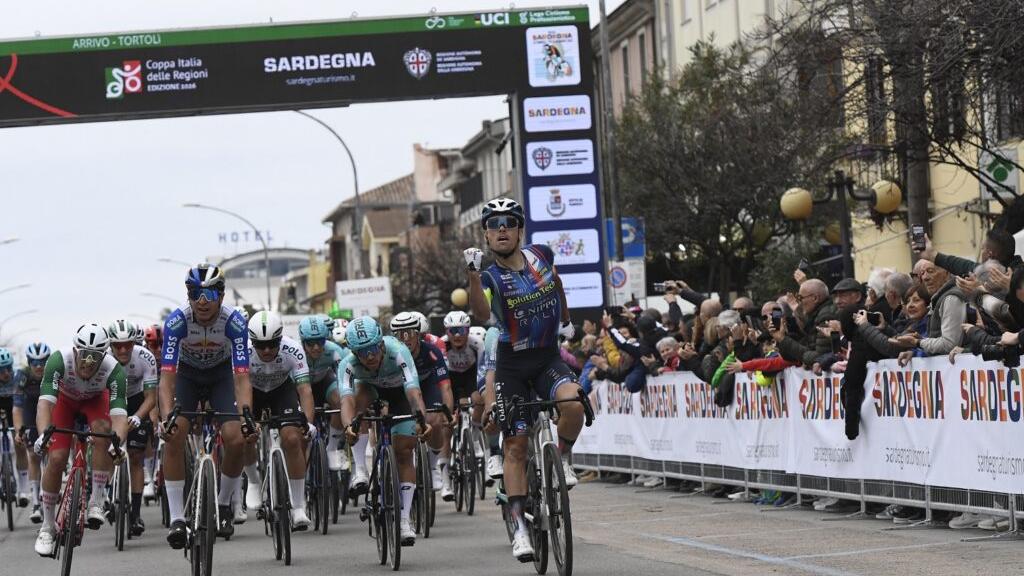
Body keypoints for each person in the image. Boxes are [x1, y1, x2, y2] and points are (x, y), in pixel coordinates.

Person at [465, 197, 586, 561]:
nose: (501, 228)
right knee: (515, 445)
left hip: (547, 356)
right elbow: (482, 311)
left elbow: (557, 284)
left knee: (574, 403)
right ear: (486, 235)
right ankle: (520, 528)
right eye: (494, 224)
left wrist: (566, 319)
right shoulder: (489, 276)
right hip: (512, 365)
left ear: (520, 229)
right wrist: (471, 274)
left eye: (509, 222)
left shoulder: (541, 254)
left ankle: (561, 458)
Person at [158, 263, 253, 548]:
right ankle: (177, 518)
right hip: (186, 376)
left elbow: (243, 378)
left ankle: (224, 505)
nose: (201, 302)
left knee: (236, 439)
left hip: (221, 376)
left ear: (221, 297)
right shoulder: (177, 322)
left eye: (209, 295)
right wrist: (166, 418)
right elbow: (166, 379)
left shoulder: (234, 321)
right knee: (174, 434)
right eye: (194, 294)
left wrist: (246, 414)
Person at [32, 324, 129, 557]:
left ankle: (96, 500)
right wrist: (43, 436)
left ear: (104, 355)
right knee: (56, 458)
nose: (88, 361)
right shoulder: (58, 361)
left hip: (95, 401)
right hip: (64, 402)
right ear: (75, 351)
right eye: (83, 354)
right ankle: (47, 527)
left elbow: (119, 416)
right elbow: (45, 403)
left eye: (95, 356)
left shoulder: (114, 370)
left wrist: (119, 445)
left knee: (104, 430)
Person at [341, 316, 431, 546]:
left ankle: (403, 519)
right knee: (357, 411)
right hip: (370, 390)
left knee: (404, 450)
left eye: (372, 349)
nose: (369, 356)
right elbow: (347, 402)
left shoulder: (398, 351)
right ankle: (359, 469)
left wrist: (421, 419)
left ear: (381, 343)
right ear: (353, 352)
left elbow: (414, 392)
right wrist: (348, 427)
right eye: (362, 352)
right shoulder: (348, 364)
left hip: (399, 393)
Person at [242, 311, 315, 530]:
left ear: (280, 338)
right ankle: (254, 481)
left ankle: (299, 506)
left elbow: (305, 389)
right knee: (245, 435)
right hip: (251, 391)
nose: (266, 350)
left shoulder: (293, 349)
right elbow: (237, 386)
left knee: (292, 439)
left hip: (281, 390)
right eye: (260, 345)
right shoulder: (243, 351)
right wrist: (246, 418)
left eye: (272, 344)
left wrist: (308, 423)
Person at [389, 312, 455, 501]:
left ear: (419, 334)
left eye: (409, 332)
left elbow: (446, 387)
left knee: (435, 419)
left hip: (427, 387)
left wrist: (447, 414)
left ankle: (433, 465)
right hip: (401, 391)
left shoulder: (432, 352)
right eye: (399, 334)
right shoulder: (392, 355)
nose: (405, 339)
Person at [107, 320, 158, 537]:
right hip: (110, 401)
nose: (123, 349)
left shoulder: (145, 357)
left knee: (136, 456)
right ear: (110, 345)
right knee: (106, 449)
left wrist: (138, 417)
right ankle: (105, 494)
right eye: (117, 345)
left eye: (127, 344)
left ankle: (135, 514)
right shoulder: (104, 360)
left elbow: (151, 398)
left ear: (134, 343)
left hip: (137, 401)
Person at [298, 315, 353, 476]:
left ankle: (332, 446)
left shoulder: (334, 351)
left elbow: (345, 380)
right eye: (310, 343)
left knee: (341, 400)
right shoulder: (296, 351)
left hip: (323, 383)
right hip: (300, 387)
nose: (316, 347)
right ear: (302, 341)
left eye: (320, 342)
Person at [440, 310, 488, 469]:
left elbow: (482, 370)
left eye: (462, 330)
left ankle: (474, 437)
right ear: (447, 332)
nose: (457, 335)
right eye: (453, 331)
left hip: (470, 376)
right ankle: (445, 474)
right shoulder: (442, 344)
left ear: (468, 330)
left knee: (480, 399)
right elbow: (439, 373)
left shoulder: (477, 344)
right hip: (450, 379)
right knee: (446, 426)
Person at [12, 342, 49, 522]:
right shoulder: (23, 375)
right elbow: (17, 406)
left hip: (50, 408)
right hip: (30, 409)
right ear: (29, 362)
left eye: (42, 362)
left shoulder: (54, 373)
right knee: (33, 456)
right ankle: (35, 503)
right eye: (34, 363)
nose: (38, 366)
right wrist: (19, 429)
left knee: (53, 451)